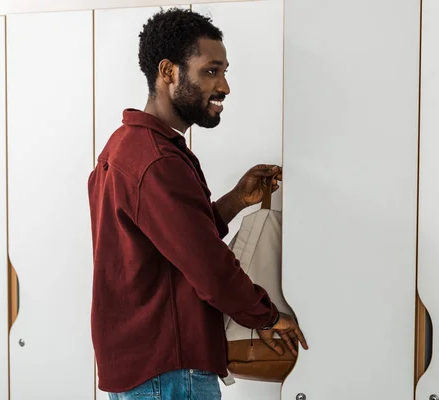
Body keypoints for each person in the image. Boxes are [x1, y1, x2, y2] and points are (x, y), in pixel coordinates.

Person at [87, 7, 308, 400]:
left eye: (225, 71)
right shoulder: (157, 160)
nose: (224, 86)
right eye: (210, 71)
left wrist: (237, 200)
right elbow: (208, 267)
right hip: (169, 373)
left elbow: (173, 242)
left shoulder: (125, 148)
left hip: (147, 370)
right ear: (169, 72)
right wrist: (268, 316)